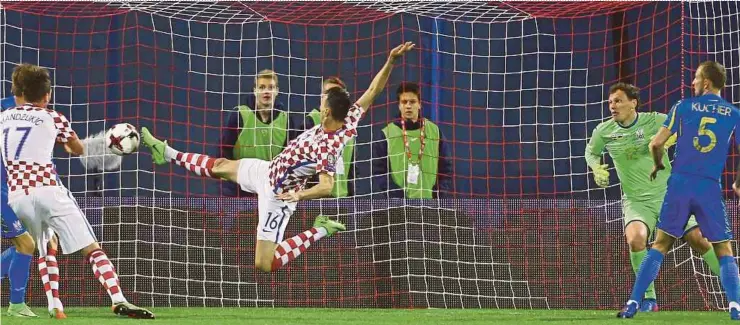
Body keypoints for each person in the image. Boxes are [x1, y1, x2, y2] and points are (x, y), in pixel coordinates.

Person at [140, 42, 416, 272]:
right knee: (221, 166)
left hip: (278, 197)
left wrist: (298, 197)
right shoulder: (349, 117)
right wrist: (391, 60)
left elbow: (326, 186)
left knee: (264, 263)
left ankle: (319, 230)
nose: (318, 104)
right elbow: (372, 92)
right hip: (266, 170)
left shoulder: (328, 147)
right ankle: (165, 152)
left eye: (322, 102)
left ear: (329, 112)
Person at [0, 63, 154, 319]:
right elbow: (77, 150)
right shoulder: (53, 117)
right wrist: (104, 143)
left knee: (42, 246)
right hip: (48, 189)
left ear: (18, 92)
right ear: (47, 95)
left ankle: (55, 306)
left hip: (16, 195)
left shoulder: (2, 117)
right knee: (91, 248)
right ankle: (118, 299)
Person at [617, 61, 740, 320]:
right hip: (708, 186)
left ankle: (633, 303)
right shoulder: (733, 113)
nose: (692, 82)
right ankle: (736, 306)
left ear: (706, 82)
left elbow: (656, 143)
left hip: (680, 185)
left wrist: (659, 163)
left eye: (696, 78)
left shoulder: (682, 107)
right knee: (724, 249)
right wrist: (738, 182)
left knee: (660, 245)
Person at [585, 82, 720, 312]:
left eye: (618, 101)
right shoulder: (604, 131)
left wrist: (671, 139)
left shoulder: (655, 120)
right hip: (637, 201)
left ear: (633, 103)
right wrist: (596, 168)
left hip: (668, 195)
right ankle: (649, 300)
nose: (612, 106)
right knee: (635, 238)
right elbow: (591, 152)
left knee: (698, 238)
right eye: (610, 102)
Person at [1, 96, 67, 318]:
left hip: (13, 192)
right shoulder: (9, 109)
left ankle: (17, 305)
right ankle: (16, 305)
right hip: (4, 194)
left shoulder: (28, 118)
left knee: (33, 242)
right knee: (27, 244)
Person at [220, 69, 308, 197]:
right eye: (261, 87)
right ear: (255, 90)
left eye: (271, 87)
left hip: (271, 188)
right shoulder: (239, 115)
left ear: (277, 91)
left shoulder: (286, 120)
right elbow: (224, 150)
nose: (266, 91)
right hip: (239, 187)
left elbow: (290, 157)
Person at [371, 82, 452, 198]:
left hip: (430, 204)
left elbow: (446, 167)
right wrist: (396, 196)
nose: (408, 106)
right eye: (404, 102)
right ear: (399, 105)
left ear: (419, 104)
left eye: (412, 102)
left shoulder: (435, 131)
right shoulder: (386, 134)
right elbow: (379, 172)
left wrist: (437, 194)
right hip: (398, 207)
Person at [305, 77, 355, 197]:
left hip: (343, 200)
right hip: (317, 200)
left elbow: (352, 169)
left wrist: (351, 196)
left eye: (337, 94)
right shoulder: (311, 121)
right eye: (329, 94)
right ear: (322, 97)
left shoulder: (349, 126)